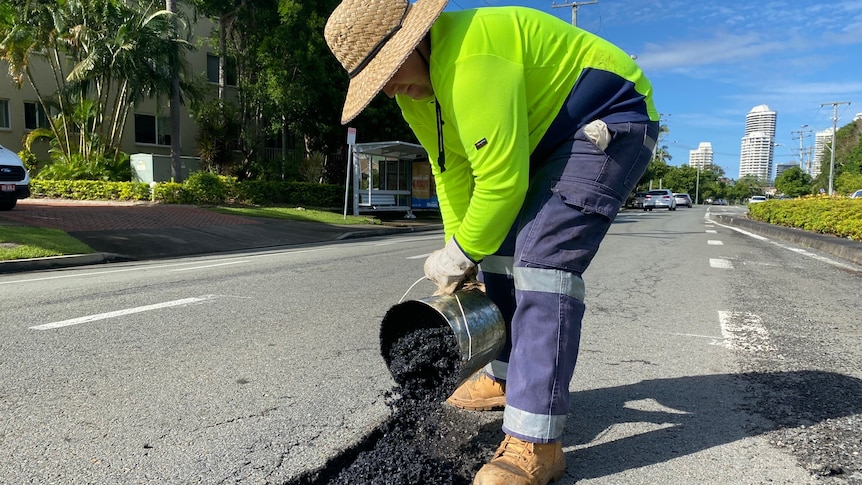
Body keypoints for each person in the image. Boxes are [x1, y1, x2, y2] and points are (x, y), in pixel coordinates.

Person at [325, 0, 658, 483]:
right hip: (540, 139)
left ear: (415, 39)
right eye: (376, 81)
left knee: (543, 261)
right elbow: (450, 170)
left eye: (390, 69)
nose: (389, 87)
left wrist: (460, 252)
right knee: (498, 254)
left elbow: (501, 180)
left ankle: (536, 442)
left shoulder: (471, 57)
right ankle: (504, 376)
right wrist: (463, 256)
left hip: (607, 118)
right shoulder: (415, 94)